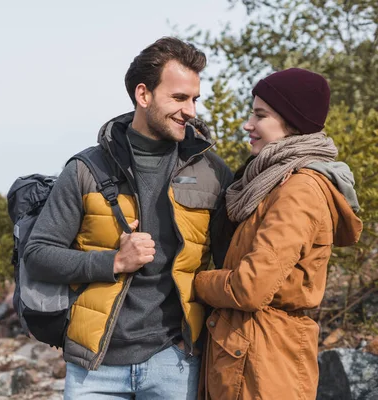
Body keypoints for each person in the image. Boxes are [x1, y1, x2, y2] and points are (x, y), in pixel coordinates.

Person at [23, 37, 232, 399]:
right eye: (180, 98)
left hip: (176, 360)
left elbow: (232, 262)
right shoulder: (85, 169)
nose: (192, 111)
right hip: (95, 367)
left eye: (195, 99)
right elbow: (38, 254)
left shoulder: (213, 173)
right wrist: (114, 261)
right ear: (143, 95)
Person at [194, 68, 363, 400]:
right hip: (246, 356)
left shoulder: (298, 189)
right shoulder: (271, 180)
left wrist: (195, 282)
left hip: (264, 365)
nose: (248, 124)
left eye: (261, 115)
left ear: (292, 122)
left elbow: (250, 289)